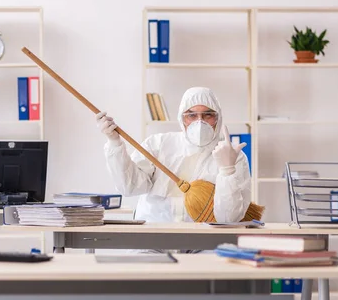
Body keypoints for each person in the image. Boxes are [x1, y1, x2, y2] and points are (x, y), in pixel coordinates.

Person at [96, 87, 250, 224]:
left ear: (218, 118)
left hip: (204, 241)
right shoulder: (158, 144)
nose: (200, 122)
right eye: (191, 115)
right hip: (154, 235)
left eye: (208, 115)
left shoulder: (232, 156)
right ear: (182, 118)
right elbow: (129, 187)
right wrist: (115, 144)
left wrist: (227, 170)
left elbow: (228, 219)